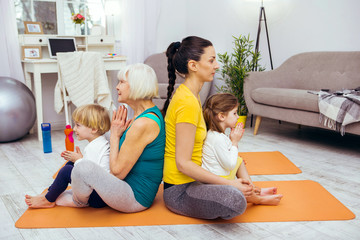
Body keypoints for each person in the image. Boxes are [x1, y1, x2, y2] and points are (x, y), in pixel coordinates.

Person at [162, 36, 253, 220]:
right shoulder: (187, 102)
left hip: (194, 181)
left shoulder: (192, 95)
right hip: (180, 190)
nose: (216, 65)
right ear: (193, 65)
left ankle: (252, 193)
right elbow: (183, 163)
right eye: (211, 61)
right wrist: (231, 184)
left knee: (237, 163)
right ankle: (250, 195)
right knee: (235, 200)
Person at [69, 63, 165, 213]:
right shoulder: (141, 115)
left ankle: (79, 201)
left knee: (82, 167)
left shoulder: (144, 123)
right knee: (74, 164)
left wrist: (115, 135)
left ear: (136, 85)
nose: (117, 87)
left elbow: (117, 174)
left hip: (133, 197)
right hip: (125, 186)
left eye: (121, 82)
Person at [202, 93, 283, 205]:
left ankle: (254, 189)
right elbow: (229, 164)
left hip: (221, 176)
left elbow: (227, 157)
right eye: (234, 113)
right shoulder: (217, 138)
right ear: (221, 116)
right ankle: (258, 198)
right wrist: (235, 142)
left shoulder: (218, 135)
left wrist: (232, 142)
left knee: (239, 161)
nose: (238, 116)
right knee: (236, 164)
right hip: (218, 182)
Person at [25, 104, 111, 208]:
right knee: (71, 163)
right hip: (99, 192)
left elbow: (91, 174)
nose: (74, 129)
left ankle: (48, 200)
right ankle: (50, 192)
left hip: (98, 198)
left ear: (93, 129)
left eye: (78, 125)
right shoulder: (99, 142)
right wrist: (78, 160)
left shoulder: (95, 147)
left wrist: (79, 160)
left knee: (66, 171)